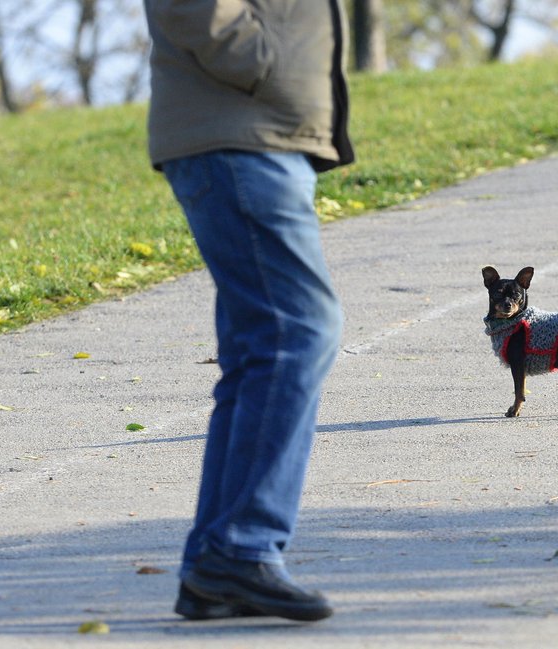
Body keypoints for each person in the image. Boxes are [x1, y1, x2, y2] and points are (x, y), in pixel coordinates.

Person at [142, 0, 355, 622]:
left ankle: (215, 565)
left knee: (261, 351)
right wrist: (265, 66)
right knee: (302, 332)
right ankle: (241, 547)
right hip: (242, 132)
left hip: (254, 132)